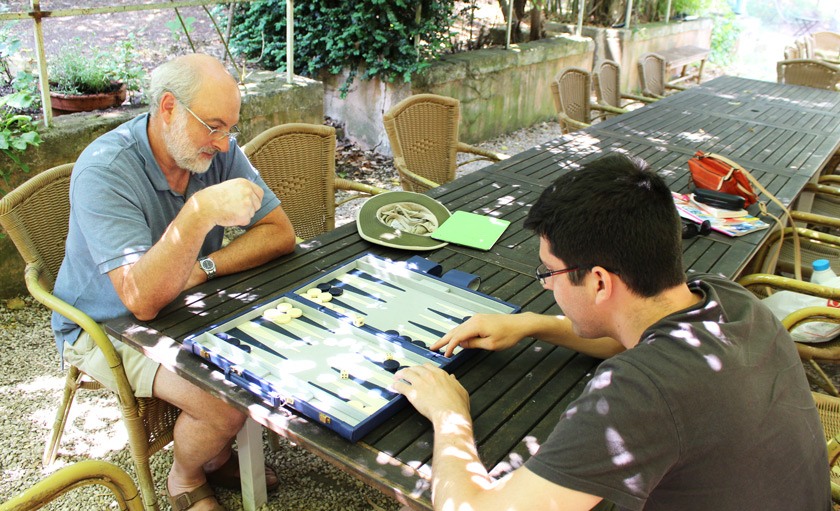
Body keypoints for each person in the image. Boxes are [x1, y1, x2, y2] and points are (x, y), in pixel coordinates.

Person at [393, 153, 830, 511]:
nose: (545, 284)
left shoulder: (640, 393)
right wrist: (532, 325)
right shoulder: (732, 301)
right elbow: (626, 333)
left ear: (600, 281)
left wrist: (449, 417)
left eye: (550, 272)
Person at [51, 54, 296, 511]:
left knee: (276, 347)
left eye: (230, 128)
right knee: (225, 400)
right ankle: (184, 479)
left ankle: (213, 450)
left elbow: (279, 233)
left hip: (186, 302)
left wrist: (202, 270)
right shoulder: (105, 171)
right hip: (105, 324)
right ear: (168, 107)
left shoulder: (213, 150)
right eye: (214, 126)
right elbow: (140, 301)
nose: (224, 144)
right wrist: (199, 212)